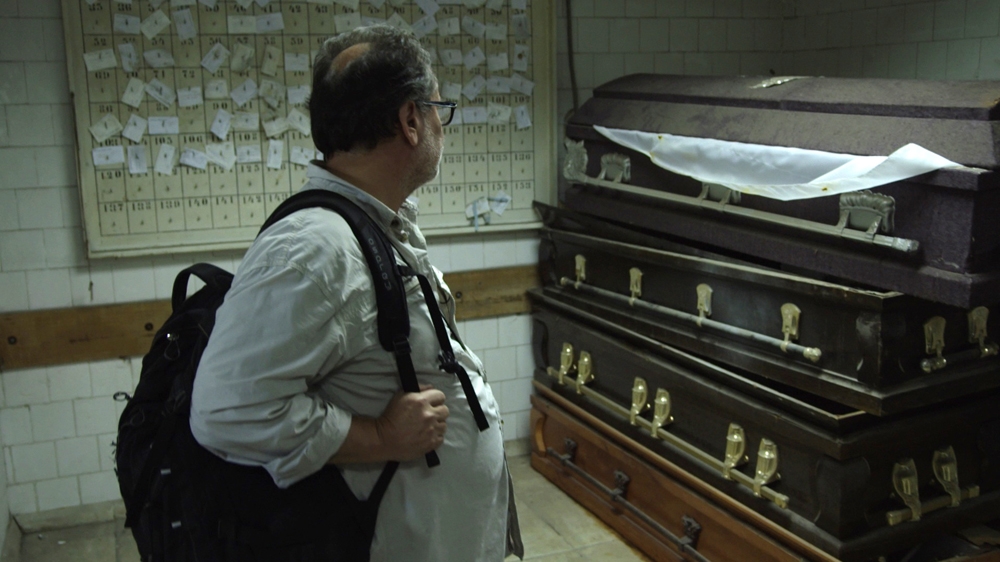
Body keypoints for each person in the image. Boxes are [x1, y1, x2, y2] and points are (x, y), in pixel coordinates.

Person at [190, 24, 522, 561]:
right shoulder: (315, 248)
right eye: (437, 107)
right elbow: (226, 410)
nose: (442, 123)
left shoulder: (365, 224)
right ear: (411, 120)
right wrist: (381, 437)